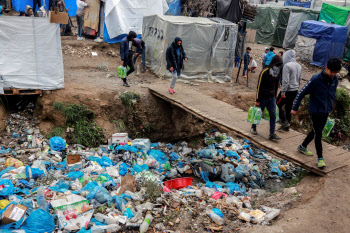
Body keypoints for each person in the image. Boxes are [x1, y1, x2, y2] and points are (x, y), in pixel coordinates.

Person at [291, 58, 341, 168]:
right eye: (332, 72)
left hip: (325, 111)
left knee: (315, 131)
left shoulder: (335, 79)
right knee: (318, 134)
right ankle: (320, 158)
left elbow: (331, 96)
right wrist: (295, 108)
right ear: (326, 68)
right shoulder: (316, 79)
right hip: (315, 110)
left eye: (335, 72)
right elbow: (301, 93)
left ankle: (303, 146)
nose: (333, 74)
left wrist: (329, 109)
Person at [251, 55, 283, 141]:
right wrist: (257, 100)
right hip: (263, 98)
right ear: (274, 64)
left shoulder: (277, 74)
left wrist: (275, 98)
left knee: (273, 116)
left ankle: (272, 134)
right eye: (278, 65)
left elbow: (276, 87)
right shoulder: (264, 72)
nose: (278, 67)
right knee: (258, 114)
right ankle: (253, 127)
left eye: (279, 65)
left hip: (271, 98)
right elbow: (259, 87)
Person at [276, 50, 302, 131]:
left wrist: (283, 91)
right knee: (288, 107)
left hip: (287, 90)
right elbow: (299, 79)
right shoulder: (299, 66)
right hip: (295, 90)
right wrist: (297, 88)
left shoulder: (287, 66)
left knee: (277, 104)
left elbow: (285, 80)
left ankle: (284, 122)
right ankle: (287, 126)